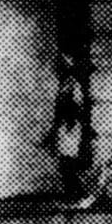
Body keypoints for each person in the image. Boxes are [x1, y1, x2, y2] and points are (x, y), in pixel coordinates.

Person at [45, 52, 90, 201]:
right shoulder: (64, 84)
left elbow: (76, 106)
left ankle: (76, 193)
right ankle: (71, 192)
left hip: (70, 126)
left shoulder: (72, 84)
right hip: (65, 125)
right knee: (64, 161)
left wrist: (68, 119)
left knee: (68, 161)